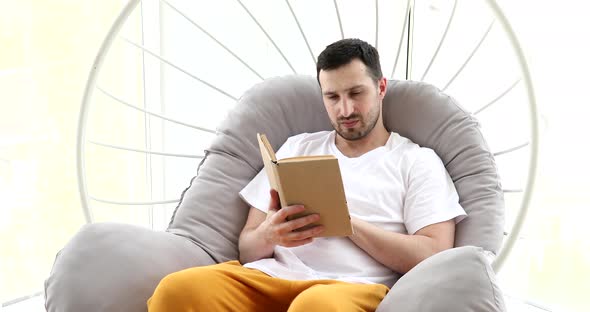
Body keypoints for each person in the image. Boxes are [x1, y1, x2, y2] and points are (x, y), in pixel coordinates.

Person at [147, 38, 466, 311]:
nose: (345, 110)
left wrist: (347, 224)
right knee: (177, 290)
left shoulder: (416, 161)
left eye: (356, 93)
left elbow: (434, 255)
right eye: (333, 97)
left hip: (348, 289)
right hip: (269, 277)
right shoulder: (296, 148)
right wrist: (270, 235)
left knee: (314, 307)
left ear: (381, 87)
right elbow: (247, 247)